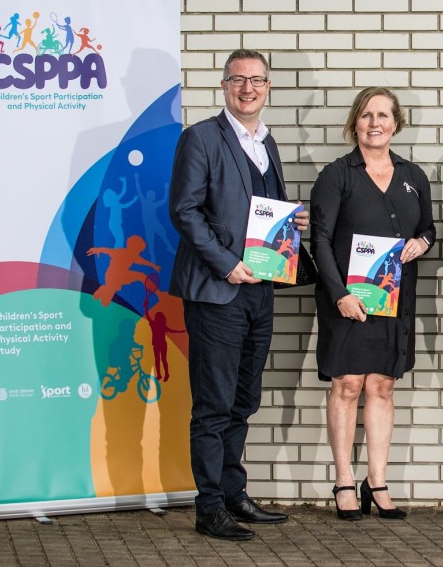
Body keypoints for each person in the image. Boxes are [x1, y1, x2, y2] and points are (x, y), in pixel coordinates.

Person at [169, 49, 308, 541]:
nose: (248, 88)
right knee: (213, 402)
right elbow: (185, 211)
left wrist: (289, 227)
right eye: (238, 80)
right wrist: (228, 266)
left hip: (260, 291)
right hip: (217, 291)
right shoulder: (201, 138)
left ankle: (233, 492)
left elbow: (253, 211)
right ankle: (208, 507)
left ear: (268, 87)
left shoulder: (266, 143)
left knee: (244, 399)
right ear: (224, 86)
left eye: (258, 81)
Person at [310, 87, 435, 521]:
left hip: (394, 299)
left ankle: (376, 481)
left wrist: (422, 242)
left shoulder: (414, 175)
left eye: (383, 115)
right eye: (366, 115)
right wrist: (339, 295)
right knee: (347, 386)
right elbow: (319, 241)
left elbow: (430, 229)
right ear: (355, 123)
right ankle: (344, 480)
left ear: (396, 124)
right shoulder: (336, 175)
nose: (375, 122)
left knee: (382, 386)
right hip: (347, 301)